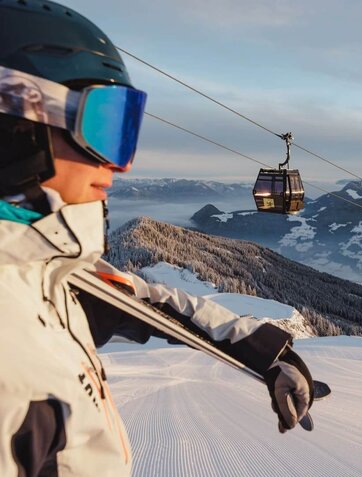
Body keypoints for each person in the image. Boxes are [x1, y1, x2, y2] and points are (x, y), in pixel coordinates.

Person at [0, 2, 314, 476]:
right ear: (15, 125)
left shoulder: (44, 272)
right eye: (102, 126)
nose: (119, 164)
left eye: (123, 131)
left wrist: (264, 353)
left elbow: (143, 300)